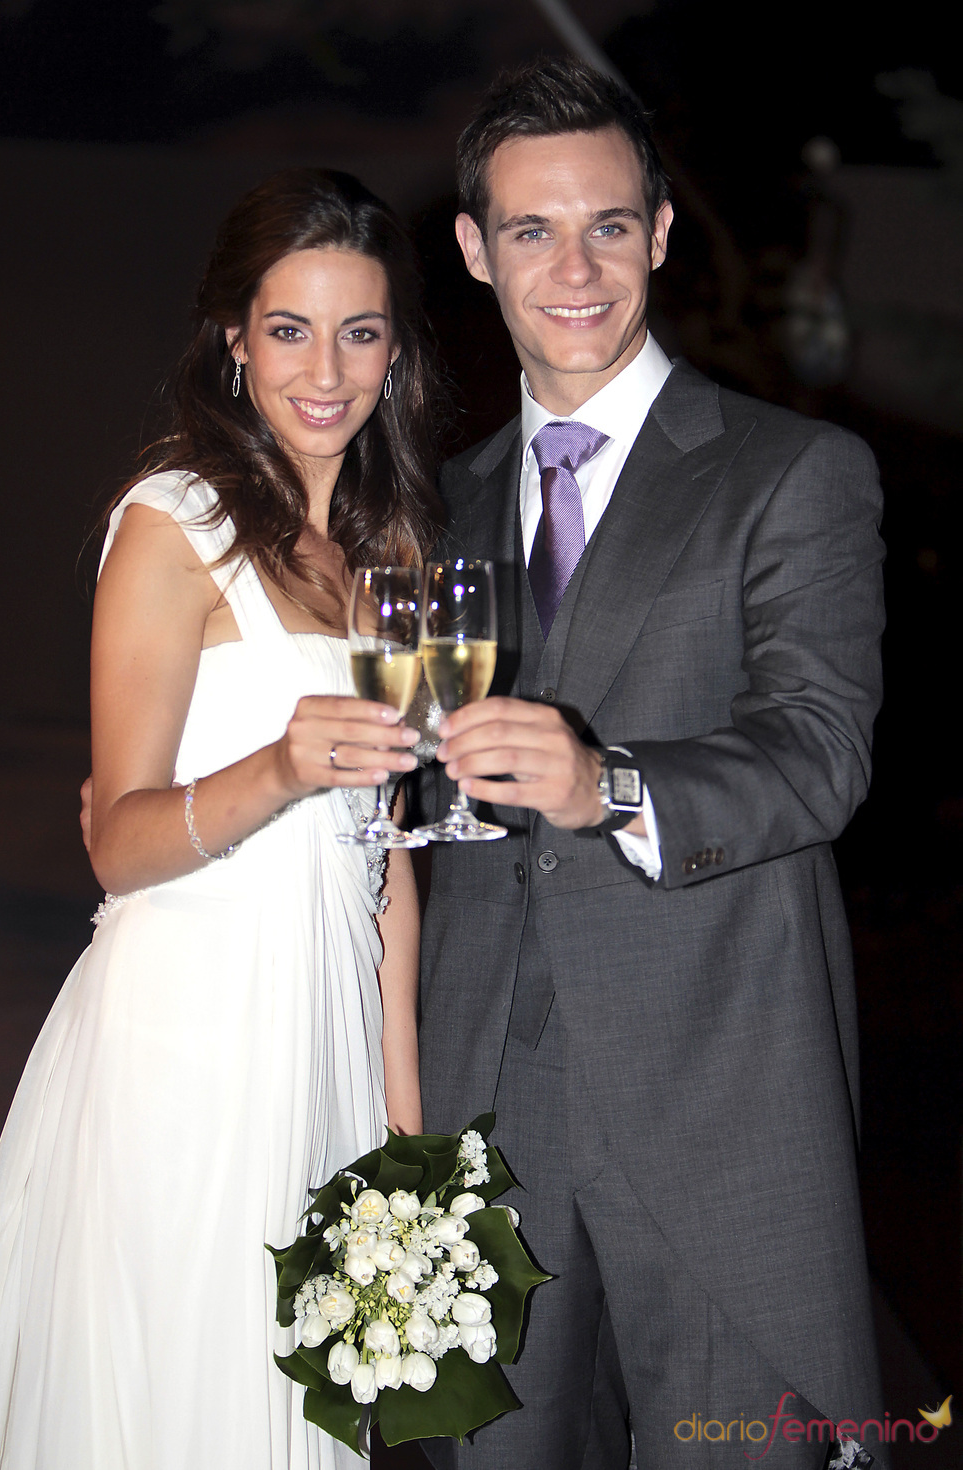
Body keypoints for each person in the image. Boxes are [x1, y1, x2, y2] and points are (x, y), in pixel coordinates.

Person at [418, 58, 886, 1470]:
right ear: (472, 249)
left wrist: (606, 782)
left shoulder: (793, 471)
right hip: (492, 1108)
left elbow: (821, 753)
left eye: (608, 225)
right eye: (531, 231)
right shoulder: (433, 512)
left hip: (721, 1100)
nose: (574, 267)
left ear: (662, 233)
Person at [0, 168, 443, 1470]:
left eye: (359, 331)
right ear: (233, 340)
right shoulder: (171, 525)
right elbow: (118, 837)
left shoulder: (391, 554)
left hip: (327, 1035)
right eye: (288, 327)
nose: (325, 367)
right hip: (186, 1037)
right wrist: (281, 766)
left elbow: (388, 861)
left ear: (396, 350)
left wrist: (407, 1131)